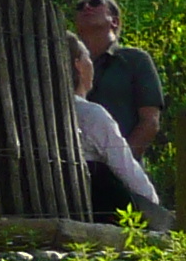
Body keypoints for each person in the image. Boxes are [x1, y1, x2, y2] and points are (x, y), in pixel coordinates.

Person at [69, 32, 175, 231]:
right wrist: (155, 208)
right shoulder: (91, 114)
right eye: (87, 59)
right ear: (79, 66)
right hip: (101, 217)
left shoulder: (27, 116)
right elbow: (127, 170)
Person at [70, 0, 164, 158]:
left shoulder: (136, 60)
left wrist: (120, 165)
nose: (86, 7)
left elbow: (150, 122)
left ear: (114, 21)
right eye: (80, 6)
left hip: (120, 173)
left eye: (95, 2)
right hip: (70, 171)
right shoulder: (64, 63)